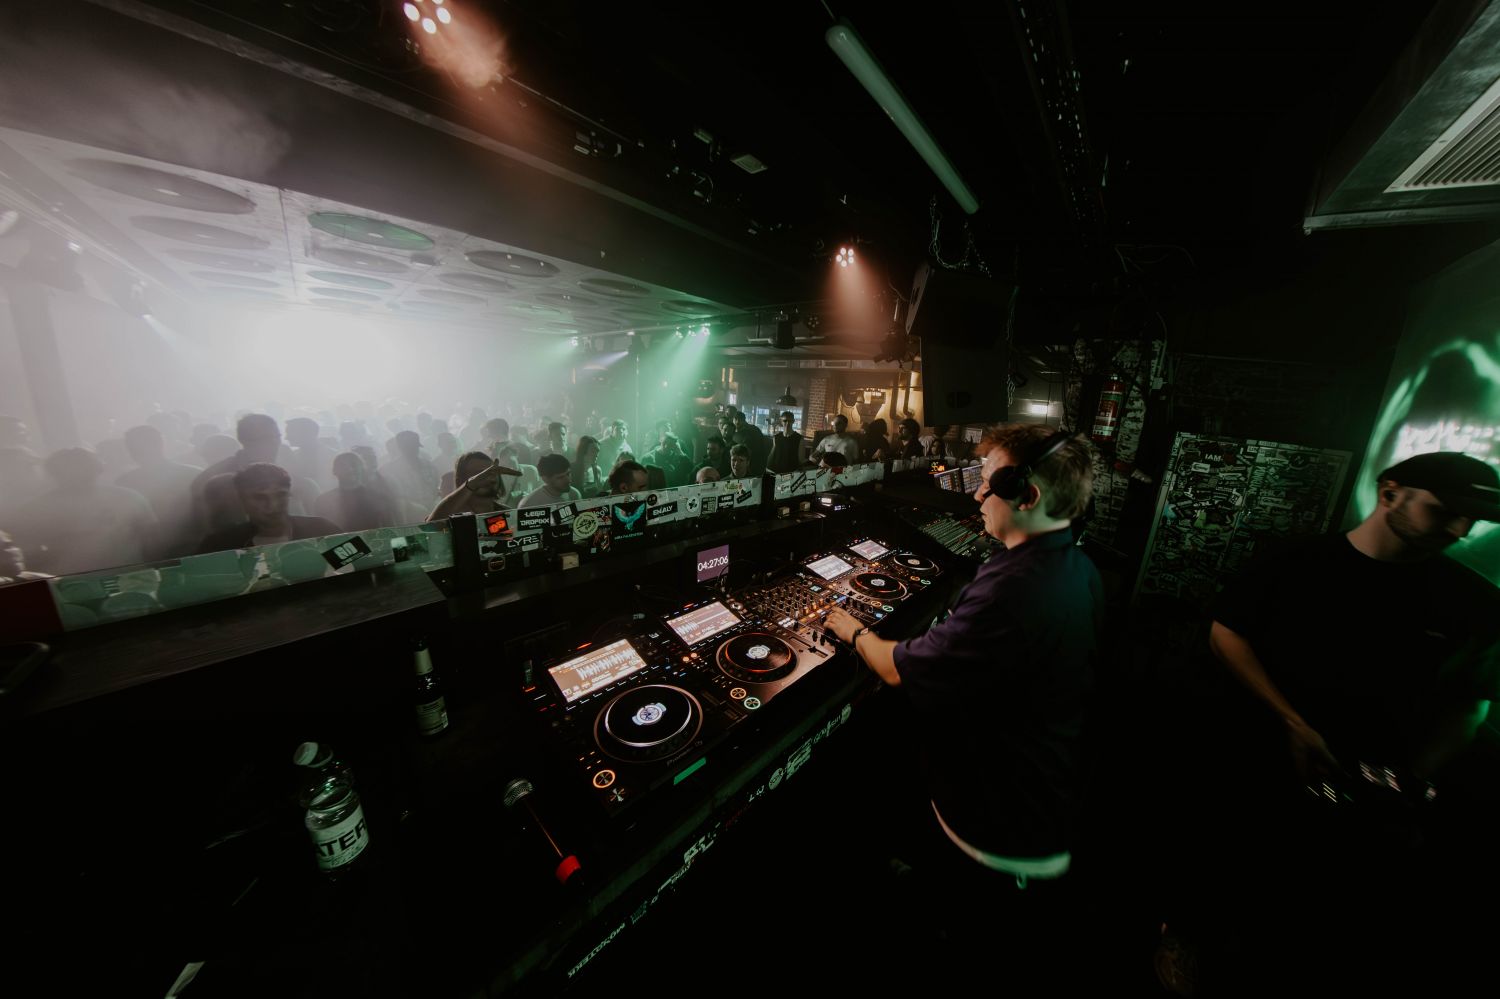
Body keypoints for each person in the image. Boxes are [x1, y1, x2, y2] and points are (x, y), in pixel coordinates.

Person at [1202, 451, 1500, 991]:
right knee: (1229, 864)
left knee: (1321, 904)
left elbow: (1469, 702)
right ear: (1390, 493)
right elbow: (1227, 632)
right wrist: (1293, 722)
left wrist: (1410, 780)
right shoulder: (1295, 562)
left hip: (1367, 787)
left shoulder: (1475, 601)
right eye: (1443, 511)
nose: (1460, 530)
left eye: (1471, 519)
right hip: (1256, 761)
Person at [823, 425, 1100, 990]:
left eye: (988, 483)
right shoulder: (1077, 567)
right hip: (1031, 786)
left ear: (1027, 495)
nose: (976, 494)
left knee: (970, 947)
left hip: (1000, 828)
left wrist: (853, 630)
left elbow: (895, 668)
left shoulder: (1014, 588)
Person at [8, 447, 159, 575]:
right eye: (70, 468)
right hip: (74, 584)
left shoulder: (128, 497)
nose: (78, 473)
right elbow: (27, 552)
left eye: (84, 467)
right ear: (55, 473)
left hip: (132, 578)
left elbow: (151, 538)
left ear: (98, 469)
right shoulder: (36, 509)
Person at [197, 463, 340, 554]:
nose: (273, 505)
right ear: (242, 500)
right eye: (260, 497)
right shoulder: (220, 545)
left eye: (281, 495)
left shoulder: (322, 529)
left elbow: (350, 570)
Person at [117, 424, 201, 557]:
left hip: (193, 547)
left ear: (159, 444)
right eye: (132, 447)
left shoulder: (192, 475)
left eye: (141, 446)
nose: (136, 451)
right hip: (151, 551)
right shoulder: (125, 483)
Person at [314, 451, 398, 531]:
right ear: (334, 471)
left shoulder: (380, 498)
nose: (350, 469)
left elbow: (393, 532)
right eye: (343, 466)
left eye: (353, 465)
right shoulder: (323, 502)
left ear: (363, 468)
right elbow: (320, 534)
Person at [427, 451, 516, 521]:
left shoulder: (508, 513)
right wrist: (471, 485)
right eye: (479, 474)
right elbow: (433, 523)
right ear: (462, 480)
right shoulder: (452, 516)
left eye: (492, 472)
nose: (488, 477)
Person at [383, 430, 439, 511]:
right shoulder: (390, 470)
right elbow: (393, 497)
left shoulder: (429, 465)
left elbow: (436, 487)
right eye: (409, 447)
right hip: (409, 513)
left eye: (415, 447)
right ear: (400, 448)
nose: (413, 450)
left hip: (433, 509)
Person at [285, 417, 337, 493]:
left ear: (305, 433)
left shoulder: (332, 457)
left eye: (290, 433)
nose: (286, 437)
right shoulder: (293, 456)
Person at [730, 409, 768, 473]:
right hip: (746, 463)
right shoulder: (735, 432)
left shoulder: (752, 430)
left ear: (744, 420)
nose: (737, 421)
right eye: (736, 419)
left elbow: (758, 448)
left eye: (740, 419)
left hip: (753, 463)